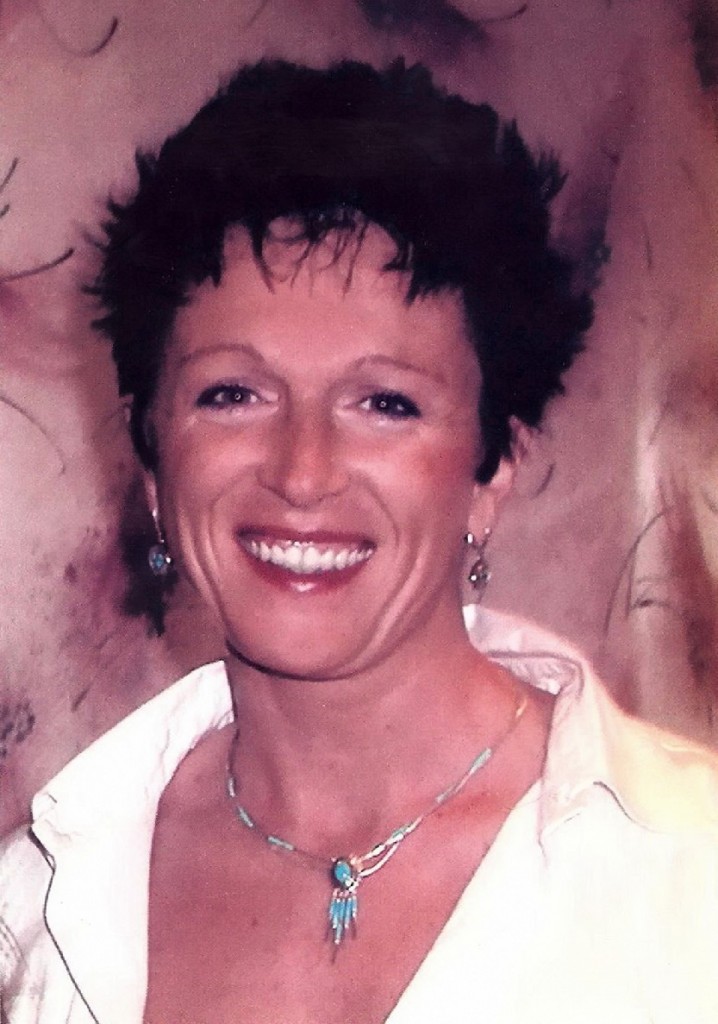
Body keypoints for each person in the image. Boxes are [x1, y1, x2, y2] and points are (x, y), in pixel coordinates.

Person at [1, 58, 717, 1024]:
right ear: (154, 464)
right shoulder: (40, 907)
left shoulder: (688, 871)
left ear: (494, 466)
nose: (303, 473)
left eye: (385, 404)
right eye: (233, 394)